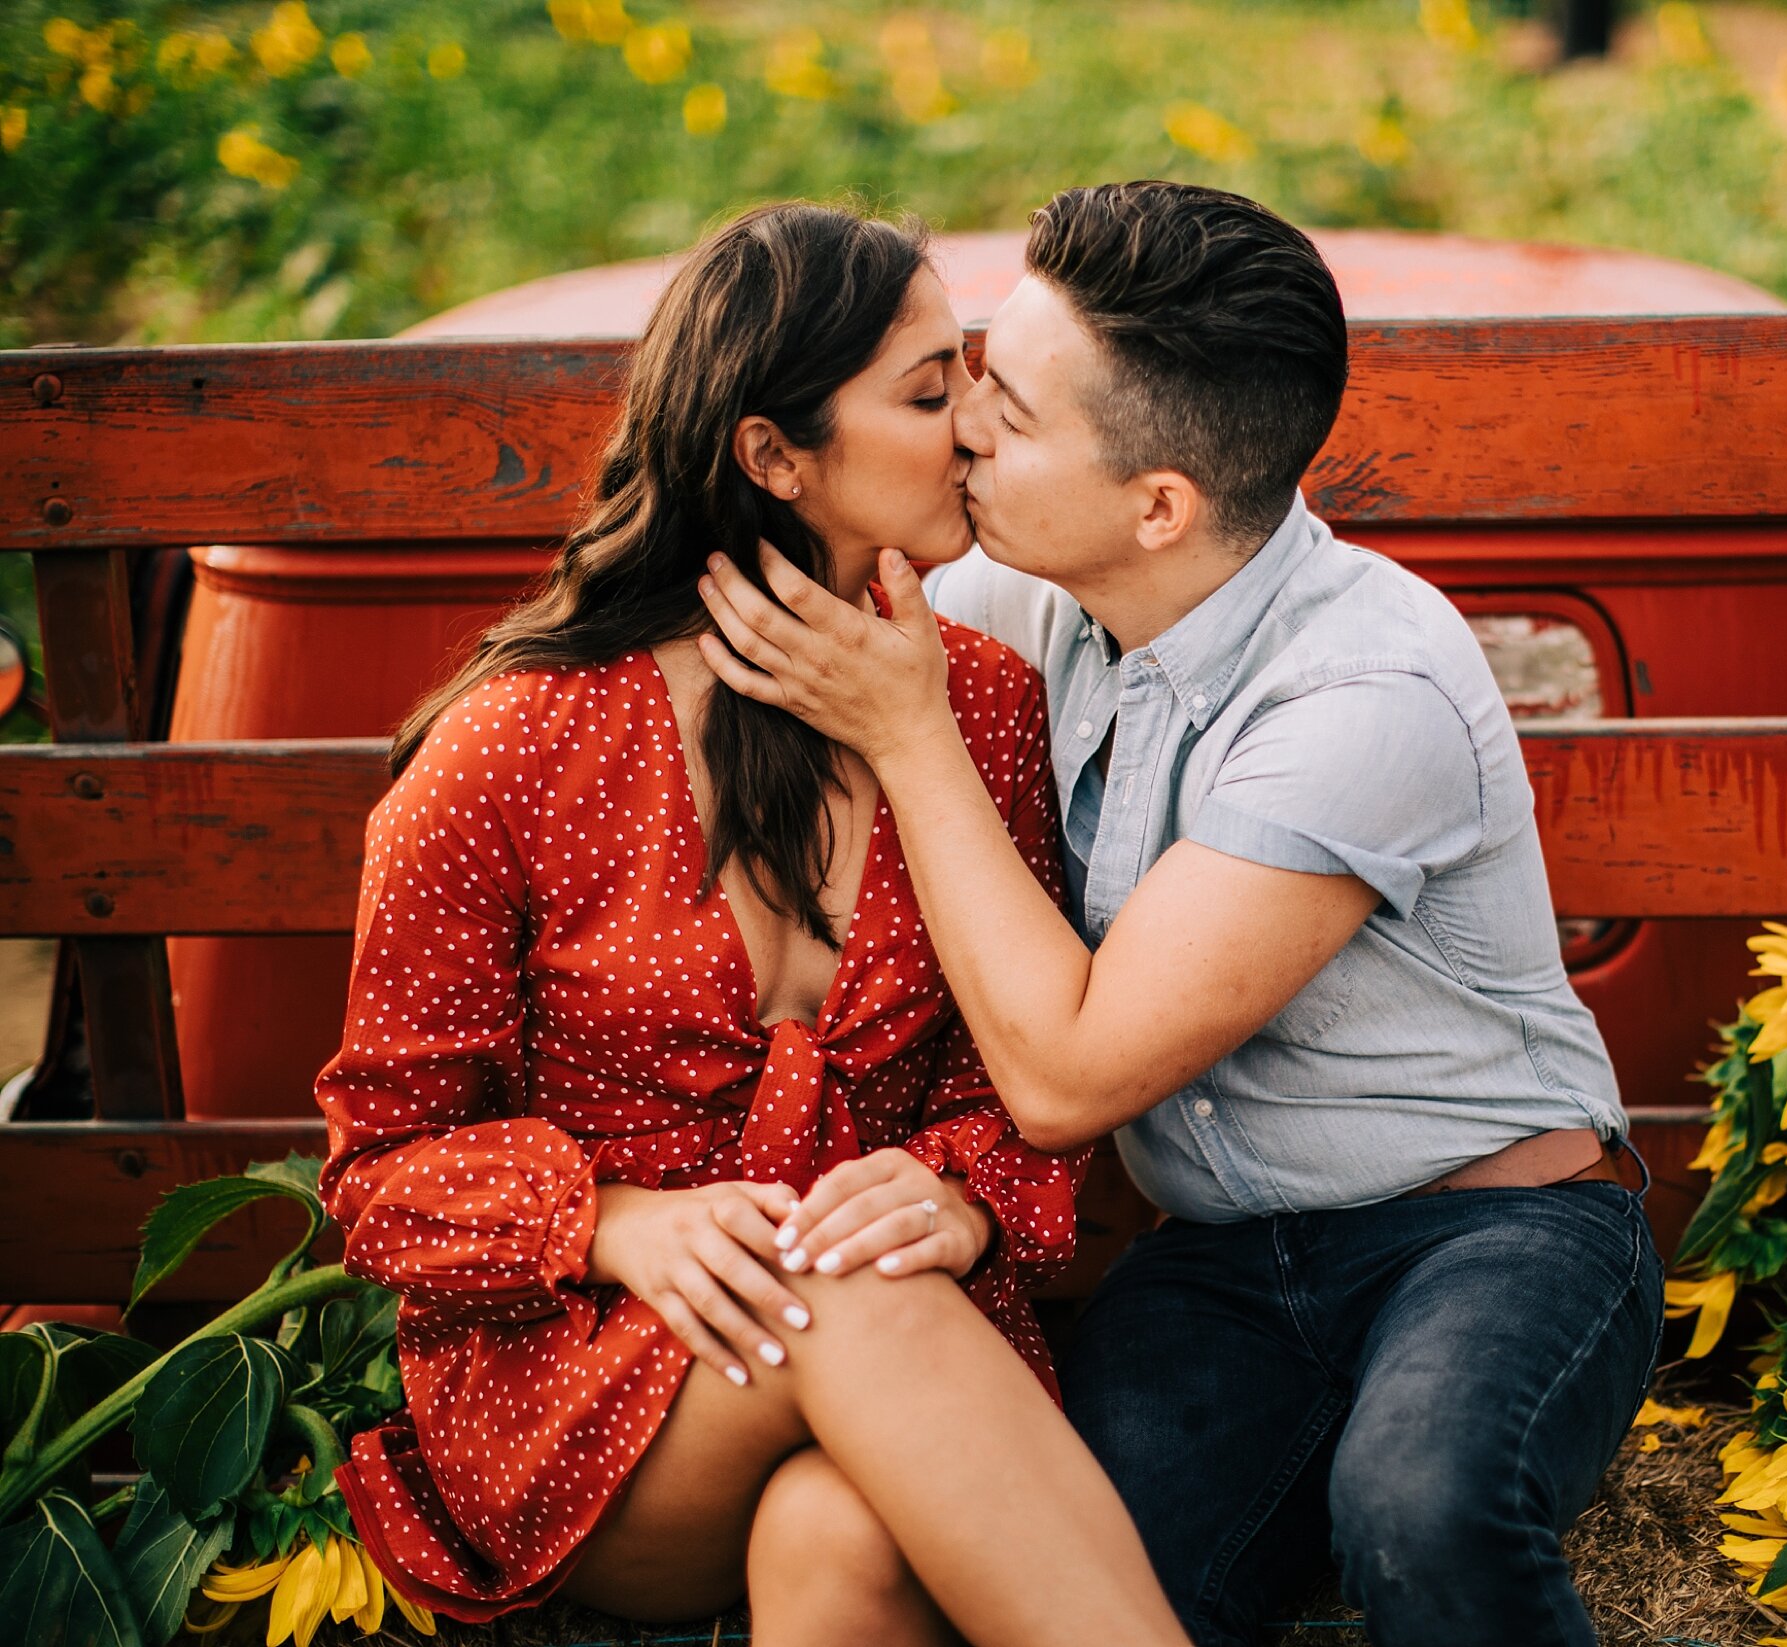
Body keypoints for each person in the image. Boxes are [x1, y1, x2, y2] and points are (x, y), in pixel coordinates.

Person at [694, 180, 1663, 1647]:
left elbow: (1069, 1079)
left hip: (1490, 1230)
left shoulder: (1363, 693)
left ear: (1160, 505)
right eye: (963, 377)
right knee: (1069, 1565)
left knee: (1423, 1508)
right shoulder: (1043, 598)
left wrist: (913, 739)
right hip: (1215, 1265)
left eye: (1006, 416)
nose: (961, 430)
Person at [314, 201, 1189, 1647]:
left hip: (903, 1377)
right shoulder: (513, 748)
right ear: (775, 457)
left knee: (838, 1541)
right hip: (595, 1397)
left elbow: (1010, 1073)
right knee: (834, 1291)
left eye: (971, 376)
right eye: (930, 391)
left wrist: (962, 1196)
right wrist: (616, 1224)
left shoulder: (981, 704)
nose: (978, 420)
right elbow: (381, 1171)